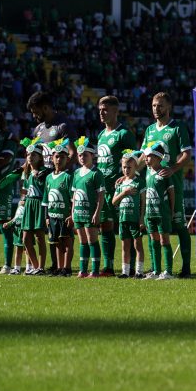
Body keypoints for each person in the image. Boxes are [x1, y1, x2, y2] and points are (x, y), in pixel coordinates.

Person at [141, 92, 192, 278]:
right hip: (152, 186)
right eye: (154, 105)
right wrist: (129, 173)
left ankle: (185, 267)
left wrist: (173, 168)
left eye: (160, 105)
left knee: (178, 225)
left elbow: (187, 154)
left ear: (168, 107)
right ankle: (156, 269)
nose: (156, 109)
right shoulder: (149, 130)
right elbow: (142, 157)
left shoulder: (178, 127)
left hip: (172, 185)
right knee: (152, 228)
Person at [27, 90, 75, 272]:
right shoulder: (38, 130)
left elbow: (72, 153)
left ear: (45, 107)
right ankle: (54, 265)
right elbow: (33, 154)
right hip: (41, 185)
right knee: (49, 227)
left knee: (63, 230)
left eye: (35, 110)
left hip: (59, 183)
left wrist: (58, 171)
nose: (34, 115)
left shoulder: (63, 125)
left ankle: (64, 266)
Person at [96, 95, 137, 276]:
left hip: (120, 189)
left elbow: (133, 160)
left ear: (115, 111)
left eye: (105, 109)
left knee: (126, 228)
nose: (101, 113)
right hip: (103, 189)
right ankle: (109, 266)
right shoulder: (100, 135)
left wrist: (125, 177)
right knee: (105, 226)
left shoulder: (124, 134)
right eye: (100, 110)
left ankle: (133, 267)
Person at [71, 137, 106, 278]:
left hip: (90, 213)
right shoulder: (76, 173)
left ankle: (95, 271)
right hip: (78, 212)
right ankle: (83, 270)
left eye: (85, 154)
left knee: (92, 241)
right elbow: (74, 195)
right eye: (80, 155)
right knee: (82, 242)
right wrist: (72, 211)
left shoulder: (96, 173)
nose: (82, 157)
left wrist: (97, 213)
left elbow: (101, 196)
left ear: (92, 155)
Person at [142, 141, 175, 280]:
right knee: (153, 240)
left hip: (162, 213)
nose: (145, 159)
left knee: (164, 240)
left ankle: (168, 272)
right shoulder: (147, 173)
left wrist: (171, 210)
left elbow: (172, 192)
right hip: (150, 213)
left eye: (148, 156)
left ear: (157, 157)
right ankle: (156, 271)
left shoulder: (164, 172)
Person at [19, 137, 50, 275]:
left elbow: (46, 190)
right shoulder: (26, 172)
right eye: (28, 154)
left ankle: (41, 268)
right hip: (28, 205)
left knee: (39, 237)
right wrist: (22, 200)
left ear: (40, 157)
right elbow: (25, 190)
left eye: (34, 155)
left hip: (39, 204)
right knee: (25, 238)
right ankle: (35, 266)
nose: (30, 157)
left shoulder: (45, 172)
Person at [113, 150, 146, 279]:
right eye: (124, 167)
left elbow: (144, 201)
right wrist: (124, 193)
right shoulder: (120, 184)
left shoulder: (139, 182)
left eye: (129, 167)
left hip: (135, 219)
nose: (126, 170)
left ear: (135, 167)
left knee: (138, 245)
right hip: (123, 219)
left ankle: (139, 272)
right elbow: (114, 202)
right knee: (125, 246)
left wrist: (142, 218)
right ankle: (125, 272)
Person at [43, 139, 74, 276]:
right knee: (56, 243)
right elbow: (45, 200)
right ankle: (59, 268)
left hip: (65, 216)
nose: (59, 159)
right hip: (53, 216)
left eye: (62, 156)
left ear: (67, 159)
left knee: (67, 242)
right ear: (52, 158)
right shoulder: (49, 178)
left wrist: (72, 214)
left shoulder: (68, 177)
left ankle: (67, 268)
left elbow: (73, 198)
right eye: (56, 156)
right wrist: (46, 216)